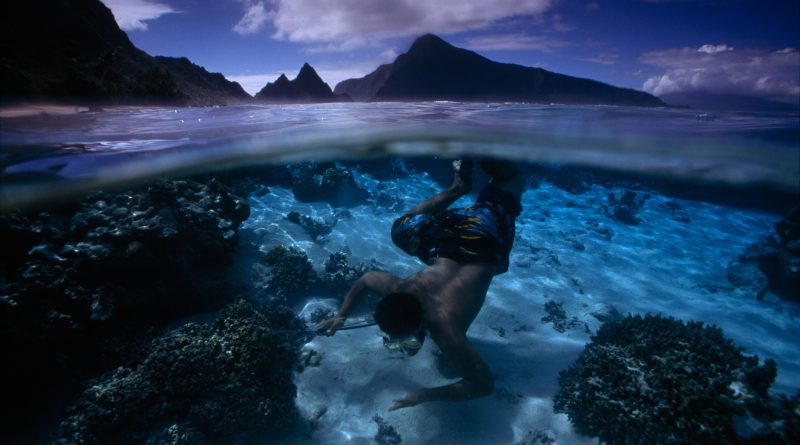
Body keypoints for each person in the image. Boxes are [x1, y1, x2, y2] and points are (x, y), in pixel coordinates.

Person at [317, 159, 524, 411]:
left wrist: (425, 395)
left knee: (508, 183)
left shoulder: (446, 331)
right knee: (400, 229)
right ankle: (461, 181)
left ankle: (470, 177)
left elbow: (482, 385)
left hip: (486, 237)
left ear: (422, 323)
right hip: (451, 234)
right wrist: (341, 316)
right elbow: (367, 279)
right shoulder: (401, 288)